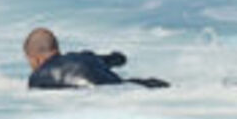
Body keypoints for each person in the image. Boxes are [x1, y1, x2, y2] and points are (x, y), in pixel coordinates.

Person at [24, 28, 168, 90]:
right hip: (118, 88)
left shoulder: (35, 80)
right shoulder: (85, 57)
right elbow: (118, 59)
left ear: (36, 59)